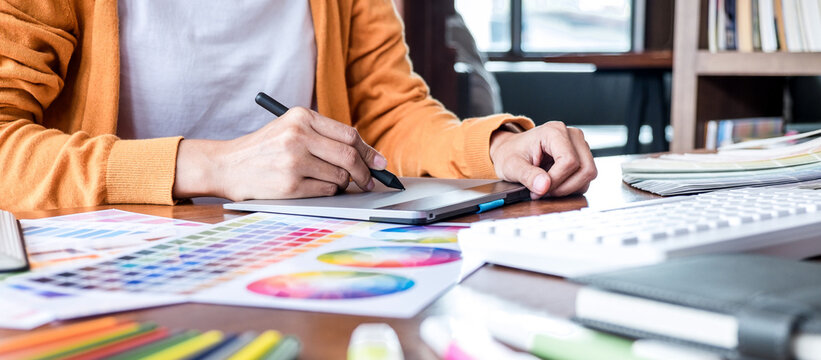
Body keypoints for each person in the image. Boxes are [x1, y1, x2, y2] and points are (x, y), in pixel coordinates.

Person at [0, 0, 597, 212]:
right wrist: (213, 167)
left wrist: (496, 146)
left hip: (304, 255)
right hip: (110, 273)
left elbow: (388, 114)